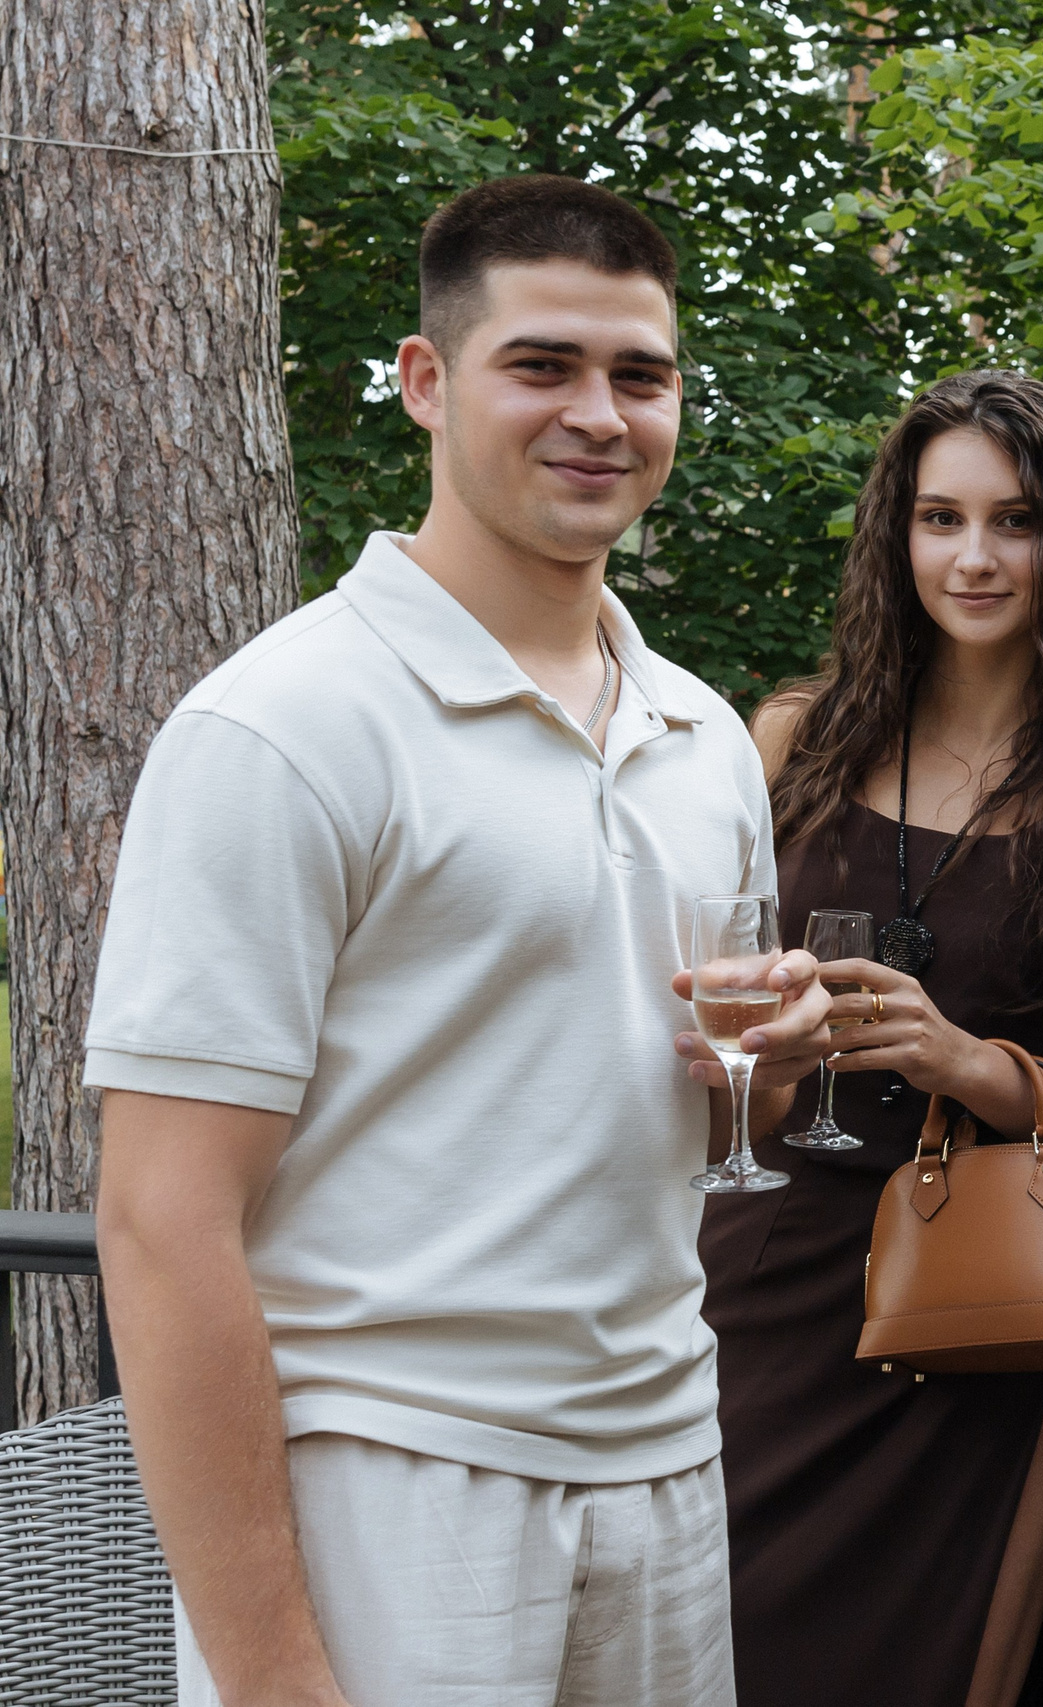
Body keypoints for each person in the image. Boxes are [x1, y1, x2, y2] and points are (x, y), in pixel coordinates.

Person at [87, 175, 839, 1707]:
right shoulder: (284, 727)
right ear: (428, 383)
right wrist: (273, 1679)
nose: (602, 415)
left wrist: (761, 1066)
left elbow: (682, 1130)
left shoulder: (702, 734)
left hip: (667, 1461)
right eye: (544, 365)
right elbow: (162, 1226)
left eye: (643, 374)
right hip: (391, 1479)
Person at [696, 369, 1043, 1707]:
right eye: (940, 519)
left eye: (1015, 521)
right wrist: (755, 1049)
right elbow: (713, 1021)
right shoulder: (791, 743)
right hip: (768, 1290)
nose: (973, 557)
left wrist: (967, 1063)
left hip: (982, 1316)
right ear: (896, 535)